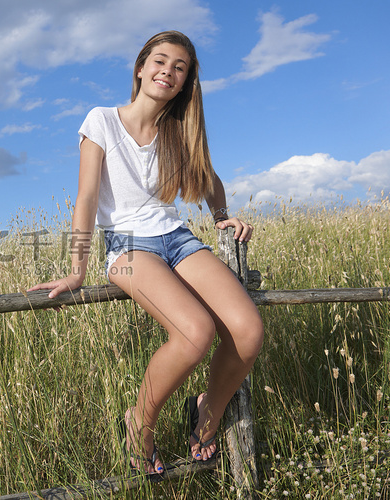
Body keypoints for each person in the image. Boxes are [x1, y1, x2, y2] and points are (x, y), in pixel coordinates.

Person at [29, 31, 264, 476]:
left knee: (248, 330)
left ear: (185, 82)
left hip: (176, 237)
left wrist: (221, 216)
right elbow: (84, 199)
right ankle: (139, 425)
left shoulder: (179, 129)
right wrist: (77, 269)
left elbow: (209, 178)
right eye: (160, 61)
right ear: (140, 68)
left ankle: (206, 415)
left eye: (180, 68)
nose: (168, 72)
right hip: (126, 245)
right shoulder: (101, 120)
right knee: (194, 333)